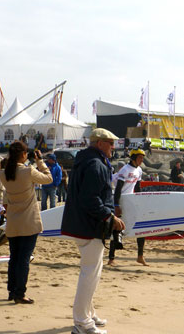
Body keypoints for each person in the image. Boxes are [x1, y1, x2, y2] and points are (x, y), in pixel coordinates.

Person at [61, 128, 125, 334]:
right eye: (110, 143)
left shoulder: (86, 160)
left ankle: (88, 313)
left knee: (92, 273)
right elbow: (90, 199)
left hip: (82, 224)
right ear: (100, 143)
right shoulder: (95, 164)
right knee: (90, 274)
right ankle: (81, 322)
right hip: (89, 227)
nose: (113, 147)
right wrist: (109, 217)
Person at [0, 142, 53, 304]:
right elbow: (48, 178)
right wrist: (40, 161)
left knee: (14, 258)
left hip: (13, 221)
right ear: (23, 154)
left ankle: (12, 290)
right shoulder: (27, 170)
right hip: (28, 220)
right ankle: (20, 292)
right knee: (23, 259)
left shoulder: (3, 173)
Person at [109, 149, 146, 266]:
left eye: (142, 158)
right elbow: (118, 189)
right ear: (134, 157)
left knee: (141, 228)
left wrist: (139, 201)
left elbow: (138, 187)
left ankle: (140, 256)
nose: (142, 160)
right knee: (116, 228)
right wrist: (116, 205)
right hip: (121, 200)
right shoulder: (125, 170)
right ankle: (111, 258)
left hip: (131, 201)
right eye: (140, 158)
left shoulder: (139, 170)